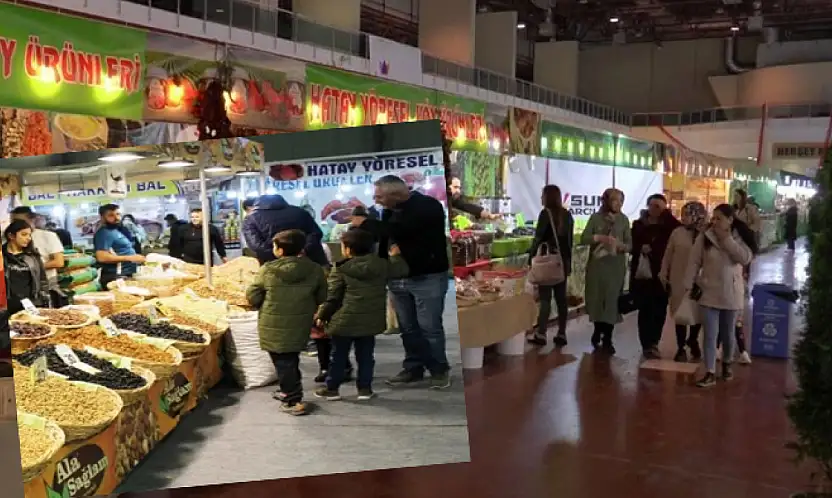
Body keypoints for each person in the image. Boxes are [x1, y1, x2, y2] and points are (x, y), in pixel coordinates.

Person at [374, 175, 452, 389]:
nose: (376, 200)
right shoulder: (389, 211)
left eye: (380, 196)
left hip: (427, 276)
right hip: (398, 278)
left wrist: (368, 224)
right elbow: (385, 240)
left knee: (429, 327)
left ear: (396, 194)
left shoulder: (427, 207)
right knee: (408, 327)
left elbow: (404, 231)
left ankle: (439, 369)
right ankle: (413, 367)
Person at [312, 230, 409, 401]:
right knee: (366, 356)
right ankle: (365, 389)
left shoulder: (341, 268)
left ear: (348, 249)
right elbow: (401, 269)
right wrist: (395, 255)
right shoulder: (381, 265)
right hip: (370, 320)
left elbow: (333, 297)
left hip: (344, 321)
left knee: (338, 356)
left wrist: (322, 314)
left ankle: (332, 389)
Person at [245, 229, 327, 416]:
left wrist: (256, 301)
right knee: (290, 358)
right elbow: (322, 295)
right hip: (300, 321)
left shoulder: (268, 269)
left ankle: (292, 400)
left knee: (283, 361)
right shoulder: (314, 269)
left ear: (280, 250)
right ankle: (287, 391)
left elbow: (254, 295)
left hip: (273, 321)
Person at [685, 204, 754, 387]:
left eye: (719, 218)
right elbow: (694, 261)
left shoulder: (739, 237)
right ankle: (709, 371)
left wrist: (727, 240)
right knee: (709, 334)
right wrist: (689, 283)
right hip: (709, 291)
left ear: (730, 220)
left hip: (731, 293)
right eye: (713, 218)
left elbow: (745, 258)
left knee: (728, 333)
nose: (714, 222)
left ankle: (727, 363)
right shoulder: (705, 237)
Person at [580, 188, 631, 355]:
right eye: (615, 200)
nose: (618, 204)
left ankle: (608, 337)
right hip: (597, 266)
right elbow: (584, 238)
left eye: (620, 201)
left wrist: (622, 246)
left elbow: (630, 244)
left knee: (611, 301)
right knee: (596, 298)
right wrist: (599, 238)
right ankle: (597, 329)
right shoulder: (596, 218)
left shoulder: (623, 220)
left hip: (615, 266)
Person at [630, 194, 680, 360]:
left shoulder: (670, 226)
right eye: (651, 205)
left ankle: (654, 343)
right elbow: (632, 244)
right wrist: (640, 248)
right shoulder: (638, 225)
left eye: (658, 206)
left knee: (659, 309)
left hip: (661, 274)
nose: (654, 209)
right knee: (644, 309)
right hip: (643, 274)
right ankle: (646, 344)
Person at [527, 185, 574, 348]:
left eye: (542, 195)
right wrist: (568, 263)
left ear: (547, 197)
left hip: (546, 262)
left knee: (545, 299)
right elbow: (569, 242)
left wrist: (530, 257)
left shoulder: (545, 214)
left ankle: (541, 333)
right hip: (561, 262)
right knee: (561, 300)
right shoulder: (567, 215)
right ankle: (562, 333)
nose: (541, 198)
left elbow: (538, 238)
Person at [660, 201, 707, 363]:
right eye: (684, 214)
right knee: (679, 315)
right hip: (678, 280)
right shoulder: (677, 233)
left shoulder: (706, 234)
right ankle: (680, 348)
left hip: (699, 282)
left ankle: (692, 340)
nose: (684, 218)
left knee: (697, 314)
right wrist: (663, 272)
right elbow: (668, 254)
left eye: (688, 214)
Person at [242, 194, 328, 267]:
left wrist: (279, 254)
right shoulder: (301, 212)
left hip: (275, 267)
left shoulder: (250, 219)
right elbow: (316, 233)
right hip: (310, 262)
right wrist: (304, 250)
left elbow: (256, 245)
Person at [11, 207, 66, 307]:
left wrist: (29, 268)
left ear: (32, 220)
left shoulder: (48, 236)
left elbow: (59, 262)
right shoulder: (9, 237)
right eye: (13, 221)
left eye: (19, 221)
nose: (15, 224)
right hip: (18, 287)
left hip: (46, 285)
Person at [731, 188, 759, 365]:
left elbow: (756, 226)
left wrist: (746, 229)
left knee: (736, 316)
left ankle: (741, 350)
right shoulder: (721, 236)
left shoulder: (750, 210)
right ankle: (723, 349)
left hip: (738, 278)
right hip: (723, 285)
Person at [3, 220, 50, 315]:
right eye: (24, 234)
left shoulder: (33, 255)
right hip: (7, 304)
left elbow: (42, 279)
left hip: (30, 303)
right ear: (11, 236)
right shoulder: (2, 255)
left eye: (29, 235)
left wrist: (44, 299)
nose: (28, 238)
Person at [94, 204, 145, 288]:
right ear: (102, 217)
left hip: (125, 275)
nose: (116, 218)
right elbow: (101, 257)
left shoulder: (116, 230)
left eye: (117, 214)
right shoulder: (104, 233)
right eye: (111, 215)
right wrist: (130, 258)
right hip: (115, 276)